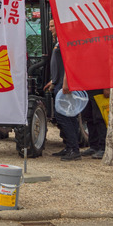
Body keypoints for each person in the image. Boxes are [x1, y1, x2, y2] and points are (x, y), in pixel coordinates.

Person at [43, 18, 80, 161]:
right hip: (58, 83)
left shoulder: (65, 40)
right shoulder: (58, 42)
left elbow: (70, 63)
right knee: (66, 116)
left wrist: (66, 82)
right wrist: (54, 80)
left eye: (52, 26)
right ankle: (69, 147)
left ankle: (74, 150)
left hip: (65, 85)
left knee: (63, 116)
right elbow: (59, 64)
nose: (50, 28)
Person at [81, 88, 108, 159]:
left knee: (100, 118)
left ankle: (103, 147)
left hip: (100, 89)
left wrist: (107, 88)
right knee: (89, 117)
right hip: (88, 89)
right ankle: (94, 146)